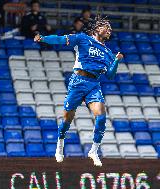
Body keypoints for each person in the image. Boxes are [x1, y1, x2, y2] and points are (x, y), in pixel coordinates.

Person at [34, 15, 123, 166]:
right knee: (67, 119)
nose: (109, 30)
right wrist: (43, 38)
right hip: (77, 82)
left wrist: (116, 61)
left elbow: (110, 75)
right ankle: (60, 144)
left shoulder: (108, 52)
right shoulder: (82, 38)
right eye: (106, 27)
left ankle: (94, 150)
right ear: (96, 28)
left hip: (94, 84)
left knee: (101, 117)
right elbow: (61, 39)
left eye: (110, 28)